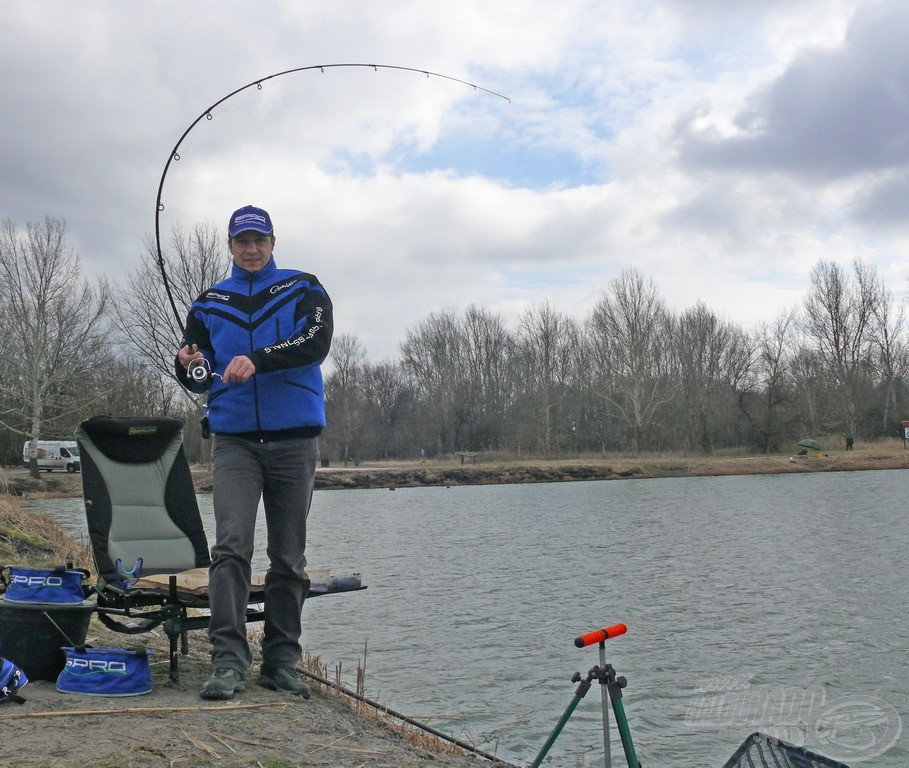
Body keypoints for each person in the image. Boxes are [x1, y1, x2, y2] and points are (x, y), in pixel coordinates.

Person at [175, 205, 333, 701]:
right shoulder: (207, 304)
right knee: (230, 548)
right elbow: (195, 370)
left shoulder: (304, 287)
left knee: (288, 556)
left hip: (294, 440)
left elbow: (316, 342)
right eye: (242, 241)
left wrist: (258, 360)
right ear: (229, 246)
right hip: (235, 441)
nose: (251, 249)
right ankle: (227, 663)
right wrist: (187, 365)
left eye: (259, 240)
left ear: (272, 242)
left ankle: (281, 662)